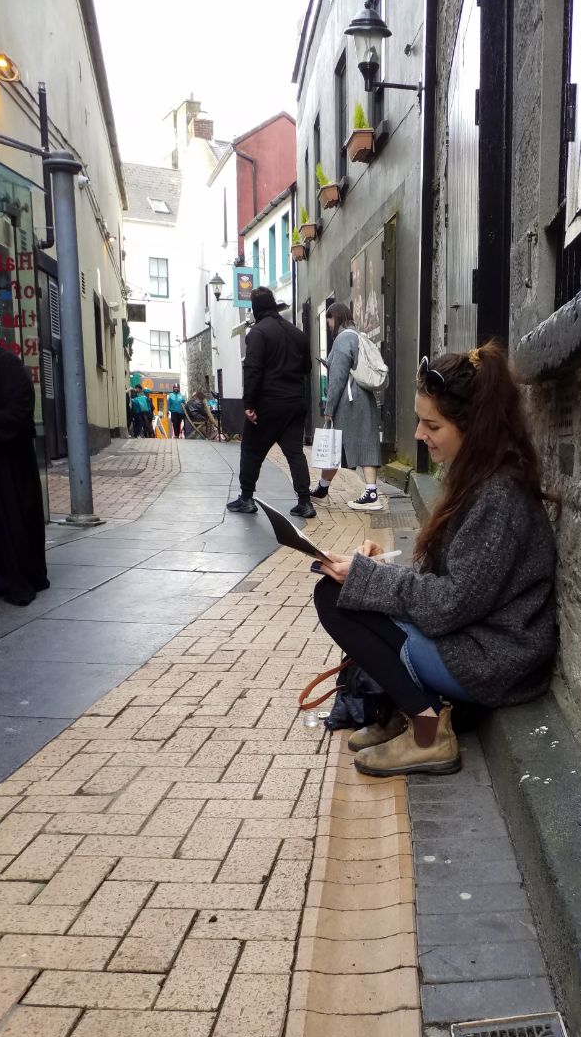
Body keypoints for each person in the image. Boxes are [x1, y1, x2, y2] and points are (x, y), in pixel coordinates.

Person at [313, 340, 558, 777]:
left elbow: (450, 604)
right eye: (419, 421)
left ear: (474, 427)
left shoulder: (499, 497)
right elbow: (454, 587)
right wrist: (379, 571)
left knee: (336, 599)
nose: (418, 435)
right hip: (477, 641)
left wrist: (371, 579)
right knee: (339, 592)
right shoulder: (478, 479)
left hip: (493, 660)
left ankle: (428, 731)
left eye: (432, 425)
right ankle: (414, 710)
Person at [0, 297, 49, 607]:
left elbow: (19, 417)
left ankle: (5, 574)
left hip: (5, 465)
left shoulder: (8, 366)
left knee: (5, 523)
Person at [227, 287, 314, 518]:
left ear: (255, 309)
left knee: (251, 450)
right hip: (295, 403)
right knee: (295, 453)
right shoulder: (298, 334)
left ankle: (247, 498)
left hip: (268, 404)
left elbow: (253, 369)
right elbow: (307, 368)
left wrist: (249, 404)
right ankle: (305, 502)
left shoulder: (257, 333)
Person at [313, 301, 383, 510]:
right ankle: (370, 491)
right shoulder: (359, 336)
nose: (328, 325)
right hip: (364, 398)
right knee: (366, 442)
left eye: (329, 319)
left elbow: (338, 377)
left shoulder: (343, 339)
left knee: (334, 444)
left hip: (349, 401)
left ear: (335, 317)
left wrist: (329, 408)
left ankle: (323, 489)